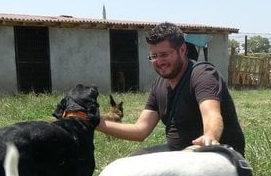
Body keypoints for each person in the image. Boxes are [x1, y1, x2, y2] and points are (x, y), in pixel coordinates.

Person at [96, 22, 246, 156]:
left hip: (216, 155)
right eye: (153, 56)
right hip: (179, 155)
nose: (159, 61)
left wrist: (210, 136)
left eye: (164, 54)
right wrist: (95, 122)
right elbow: (140, 130)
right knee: (132, 162)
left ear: (182, 50)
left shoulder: (202, 75)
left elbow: (211, 114)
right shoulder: (159, 85)